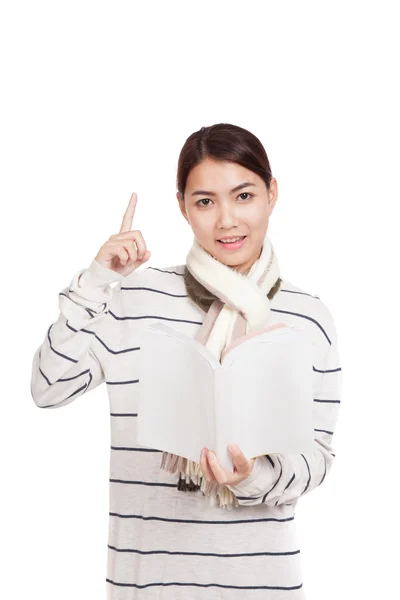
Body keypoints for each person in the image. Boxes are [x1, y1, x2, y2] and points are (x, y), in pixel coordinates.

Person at [30, 123, 343, 599]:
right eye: (204, 201)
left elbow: (316, 460)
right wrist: (96, 282)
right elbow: (48, 387)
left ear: (272, 194)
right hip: (148, 583)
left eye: (243, 196)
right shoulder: (136, 296)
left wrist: (251, 476)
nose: (227, 221)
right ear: (182, 206)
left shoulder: (307, 317)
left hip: (261, 585)